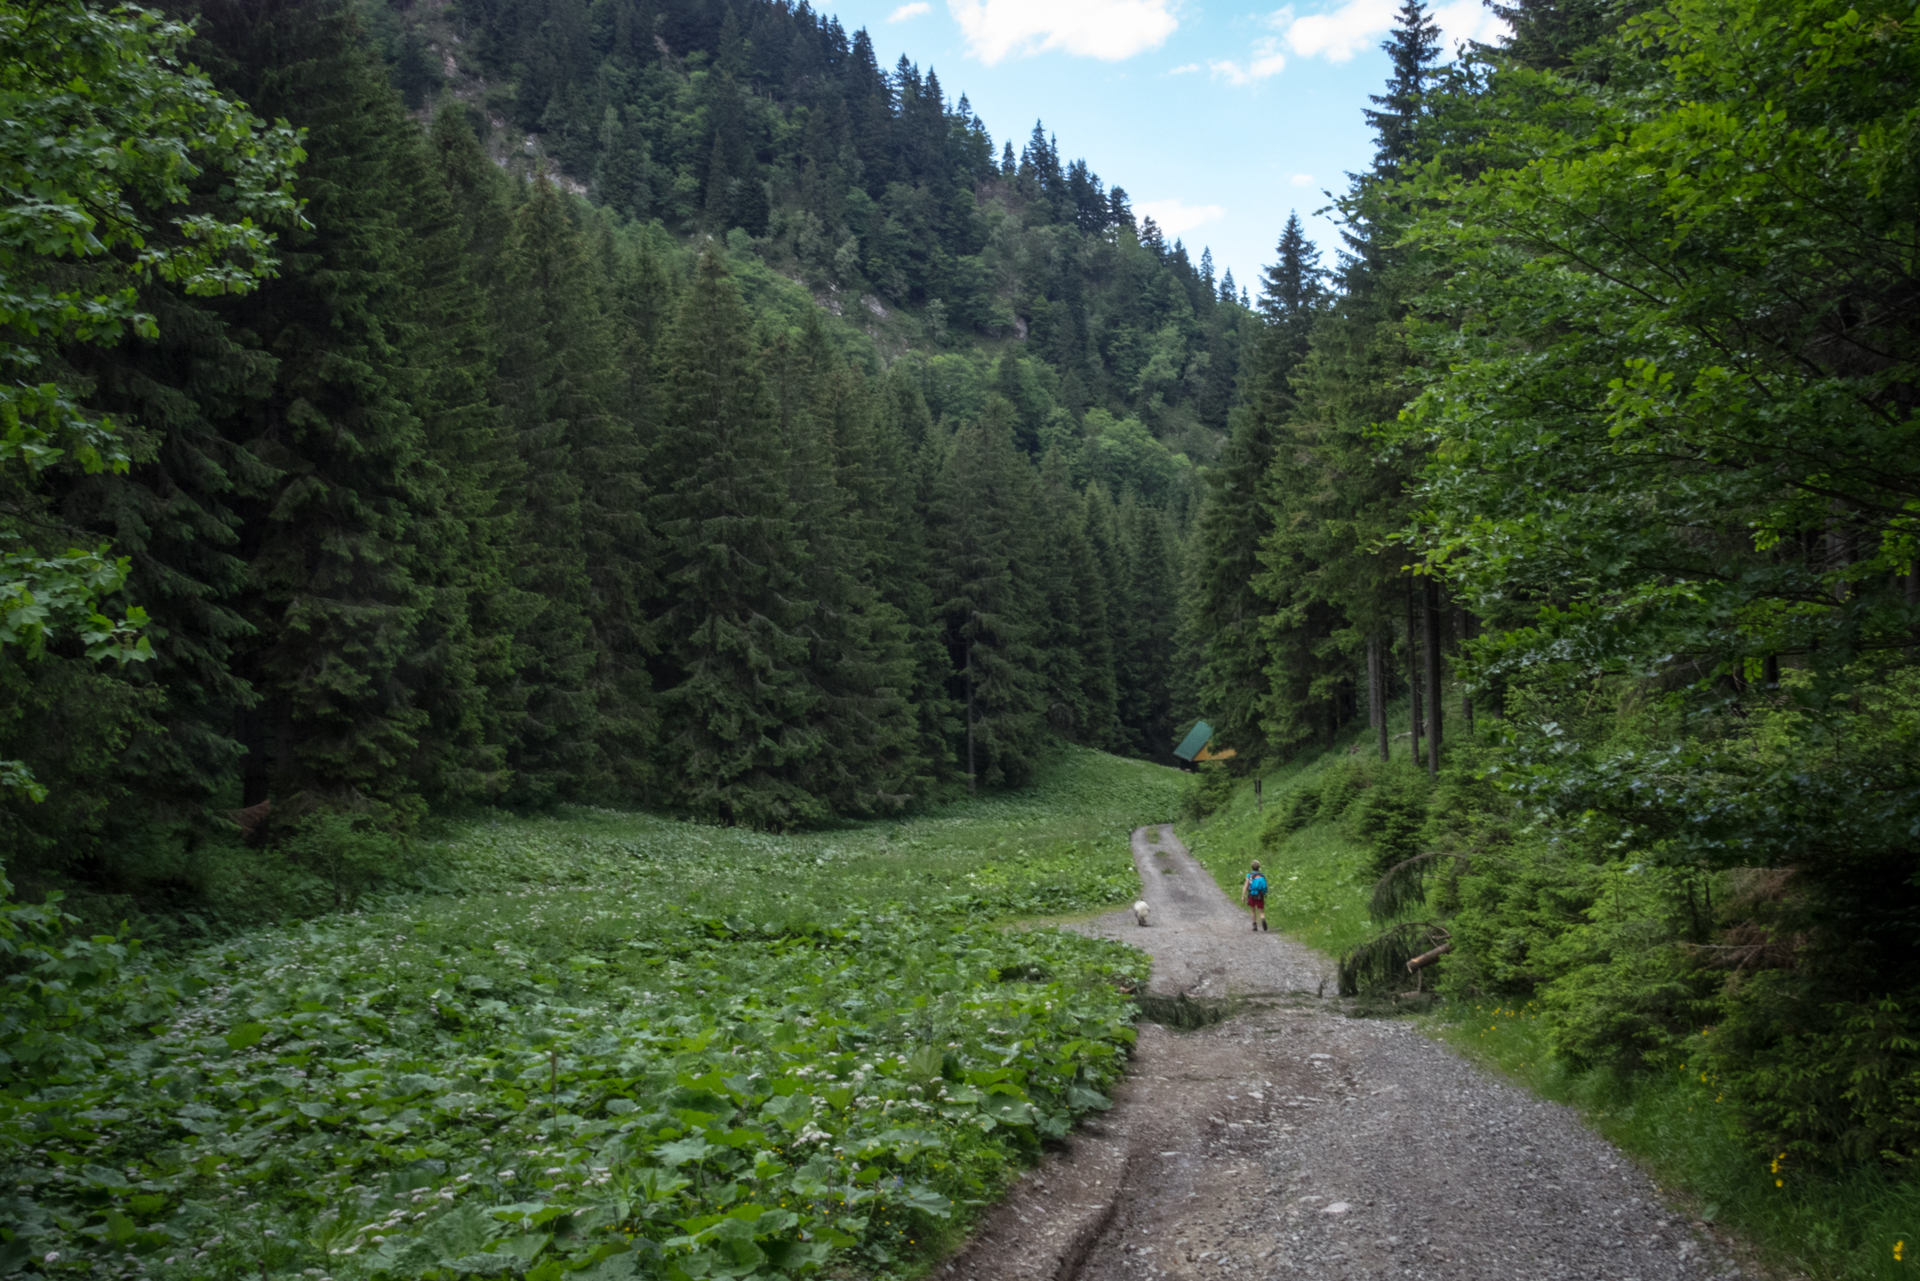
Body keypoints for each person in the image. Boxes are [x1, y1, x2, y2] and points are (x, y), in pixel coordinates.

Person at [1243, 860, 1268, 932]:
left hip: (1252, 895)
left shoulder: (1249, 875)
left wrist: (1243, 896)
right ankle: (1263, 919)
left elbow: (1246, 886)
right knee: (1261, 911)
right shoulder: (1262, 875)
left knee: (1253, 911)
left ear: (1252, 867)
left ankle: (1255, 925)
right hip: (1260, 895)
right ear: (1259, 868)